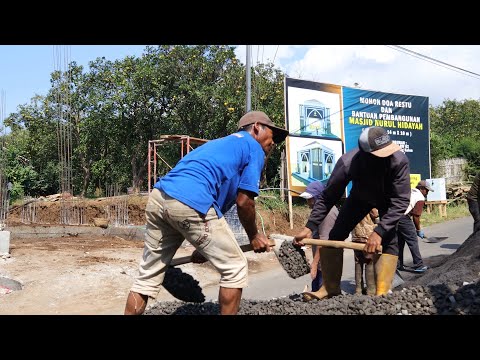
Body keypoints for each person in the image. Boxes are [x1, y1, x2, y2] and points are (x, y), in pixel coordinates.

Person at [124, 110, 289, 315]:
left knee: (147, 277)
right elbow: (245, 202)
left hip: (160, 197)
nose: (273, 143)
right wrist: (254, 236)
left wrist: (203, 249)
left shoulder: (220, 145)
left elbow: (215, 211)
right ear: (256, 128)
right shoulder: (252, 147)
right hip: (191, 199)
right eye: (272, 136)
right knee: (234, 267)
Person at [294, 126, 411, 300]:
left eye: (388, 151)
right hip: (360, 197)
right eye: (381, 154)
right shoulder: (348, 163)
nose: (387, 156)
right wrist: (310, 226)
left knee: (389, 240)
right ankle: (330, 288)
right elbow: (327, 197)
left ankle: (383, 293)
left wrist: (379, 231)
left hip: (388, 200)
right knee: (334, 237)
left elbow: (401, 200)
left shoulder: (399, 160)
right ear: (366, 154)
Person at [298, 181, 338, 293]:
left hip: (326, 264)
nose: (308, 202)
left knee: (322, 295)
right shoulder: (318, 212)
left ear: (318, 197)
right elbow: (315, 233)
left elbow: (323, 242)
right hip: (321, 263)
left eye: (310, 199)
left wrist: (314, 265)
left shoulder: (328, 213)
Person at [397, 180, 433, 273]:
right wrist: (418, 230)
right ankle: (419, 265)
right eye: (427, 190)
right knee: (412, 240)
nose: (427, 193)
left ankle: (398, 264)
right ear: (421, 189)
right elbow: (416, 217)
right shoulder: (420, 197)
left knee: (400, 241)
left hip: (395, 215)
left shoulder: (411, 191)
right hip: (403, 217)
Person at [351, 208, 379, 295]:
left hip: (356, 235)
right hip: (368, 235)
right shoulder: (371, 200)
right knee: (369, 261)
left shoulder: (354, 200)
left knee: (358, 261)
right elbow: (375, 214)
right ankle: (371, 289)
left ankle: (358, 289)